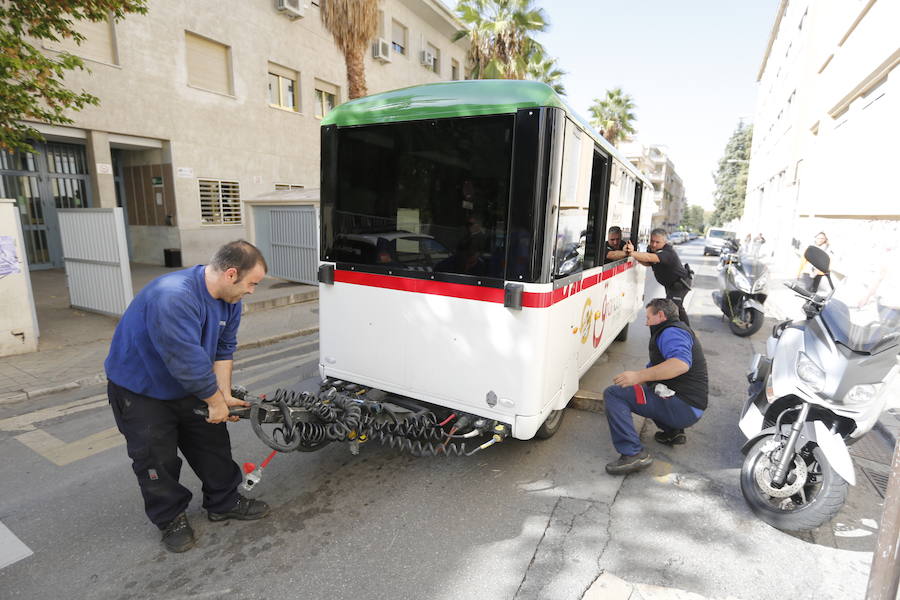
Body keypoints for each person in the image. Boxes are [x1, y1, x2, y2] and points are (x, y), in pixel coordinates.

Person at [105, 240, 271, 554]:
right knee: (156, 458)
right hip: (142, 390)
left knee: (212, 442)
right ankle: (170, 518)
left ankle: (224, 501)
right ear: (231, 274)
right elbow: (187, 363)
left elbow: (223, 350)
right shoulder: (173, 296)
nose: (252, 291)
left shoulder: (230, 300)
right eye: (252, 284)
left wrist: (223, 396)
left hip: (191, 385)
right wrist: (215, 401)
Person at [602, 298, 709, 475]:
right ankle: (672, 432)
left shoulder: (671, 332)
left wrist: (637, 376)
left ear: (660, 315)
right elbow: (656, 368)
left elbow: (680, 364)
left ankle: (633, 453)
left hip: (683, 407)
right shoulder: (676, 329)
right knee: (649, 388)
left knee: (614, 394)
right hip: (690, 406)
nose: (646, 323)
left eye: (648, 317)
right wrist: (637, 379)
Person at [627, 228, 693, 325]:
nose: (654, 244)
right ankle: (684, 331)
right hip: (671, 284)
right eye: (652, 241)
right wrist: (634, 257)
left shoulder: (667, 252)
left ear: (665, 242)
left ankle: (683, 332)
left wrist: (632, 253)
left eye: (657, 242)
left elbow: (649, 257)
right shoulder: (653, 249)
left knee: (671, 310)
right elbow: (648, 263)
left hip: (680, 284)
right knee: (677, 308)